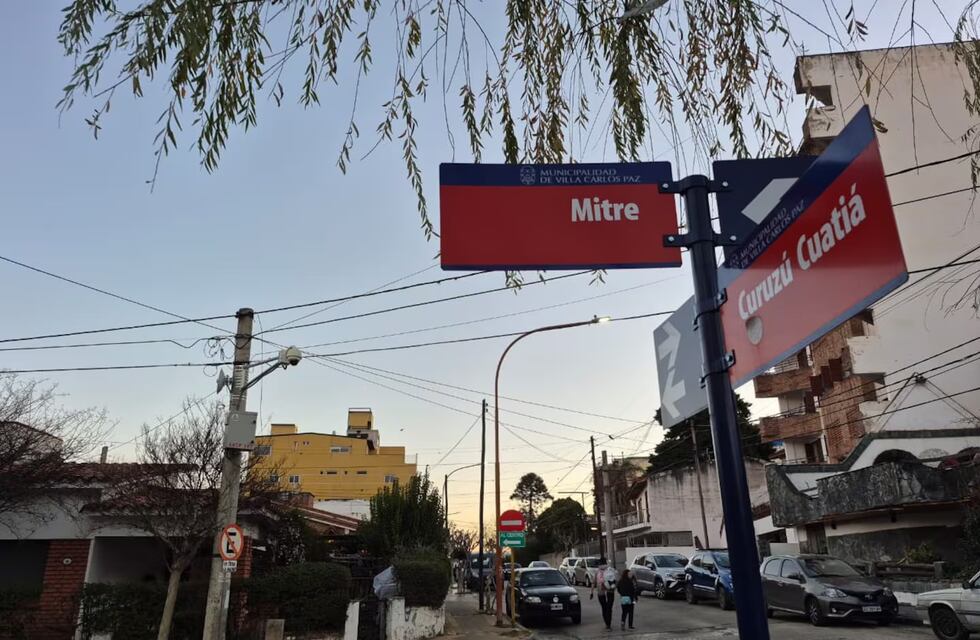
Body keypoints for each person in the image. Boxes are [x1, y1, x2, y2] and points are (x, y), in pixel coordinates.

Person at [589, 557, 618, 630]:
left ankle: (608, 623)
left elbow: (616, 579)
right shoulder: (599, 572)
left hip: (608, 591)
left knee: (608, 608)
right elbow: (593, 582)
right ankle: (607, 623)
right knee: (605, 608)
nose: (601, 566)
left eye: (602, 564)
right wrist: (591, 592)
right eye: (601, 564)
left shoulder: (609, 570)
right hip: (603, 592)